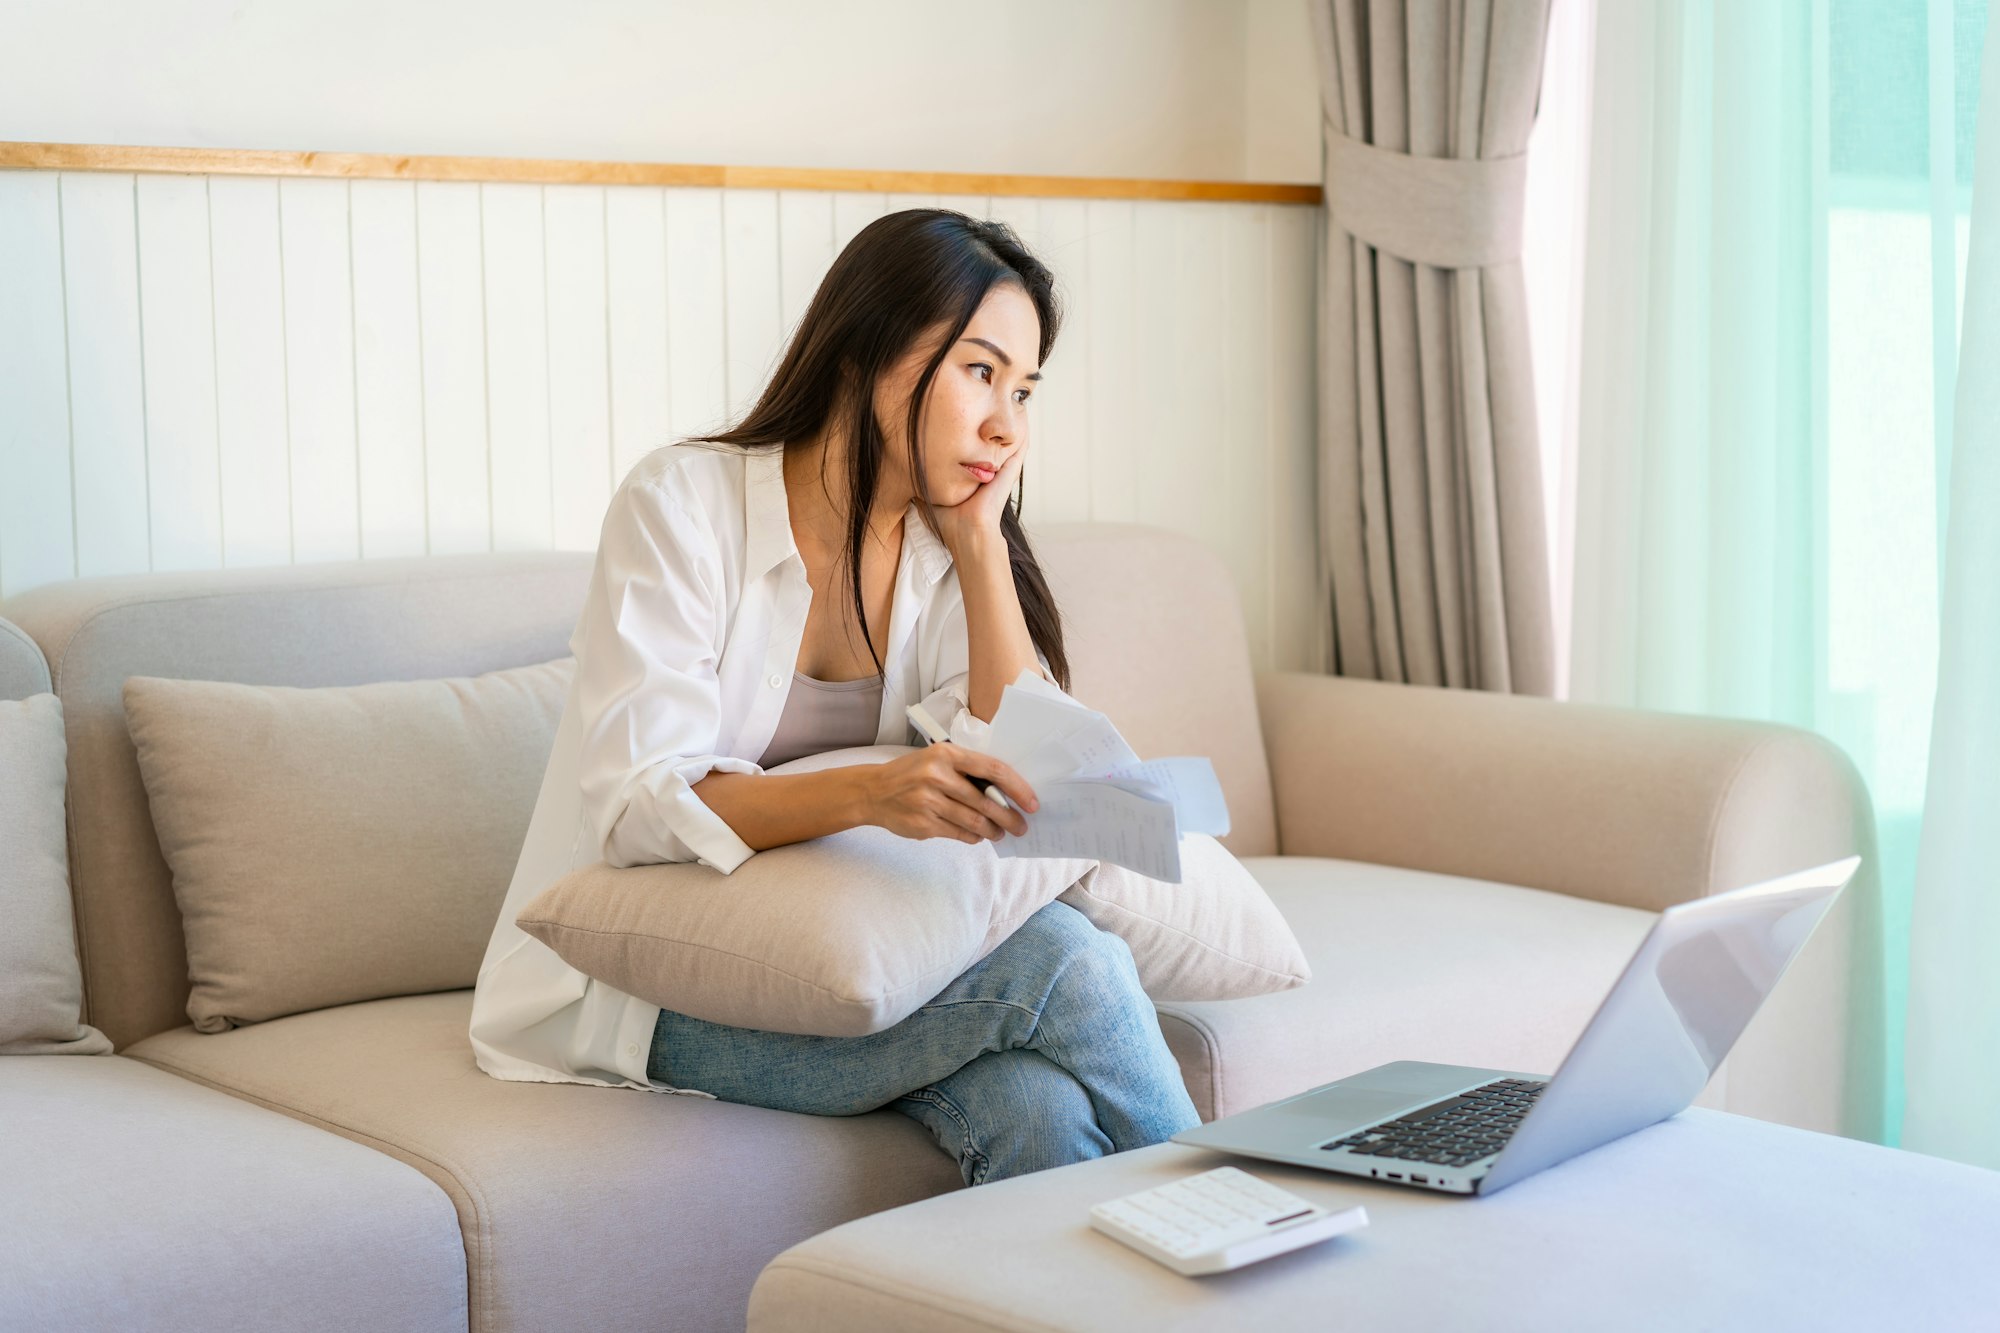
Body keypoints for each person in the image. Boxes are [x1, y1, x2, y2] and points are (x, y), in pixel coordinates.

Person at [469, 209, 1200, 1185]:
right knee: (1069, 963)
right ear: (868, 353)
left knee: (1038, 1110)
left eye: (1023, 391)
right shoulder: (681, 505)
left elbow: (1025, 777)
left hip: (854, 968)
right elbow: (639, 803)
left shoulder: (944, 552)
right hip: (636, 996)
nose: (1006, 426)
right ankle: (1242, 1243)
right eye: (979, 373)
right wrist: (870, 791)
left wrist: (983, 544)